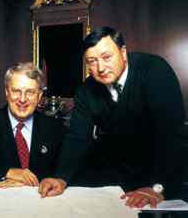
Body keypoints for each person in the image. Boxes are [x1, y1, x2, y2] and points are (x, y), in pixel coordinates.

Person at [38, 26, 186, 208]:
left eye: (107, 57)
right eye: (92, 61)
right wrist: (61, 177)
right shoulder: (86, 89)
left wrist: (157, 188)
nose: (100, 68)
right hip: (119, 177)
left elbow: (171, 136)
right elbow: (77, 137)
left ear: (123, 53)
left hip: (161, 175)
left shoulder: (155, 70)